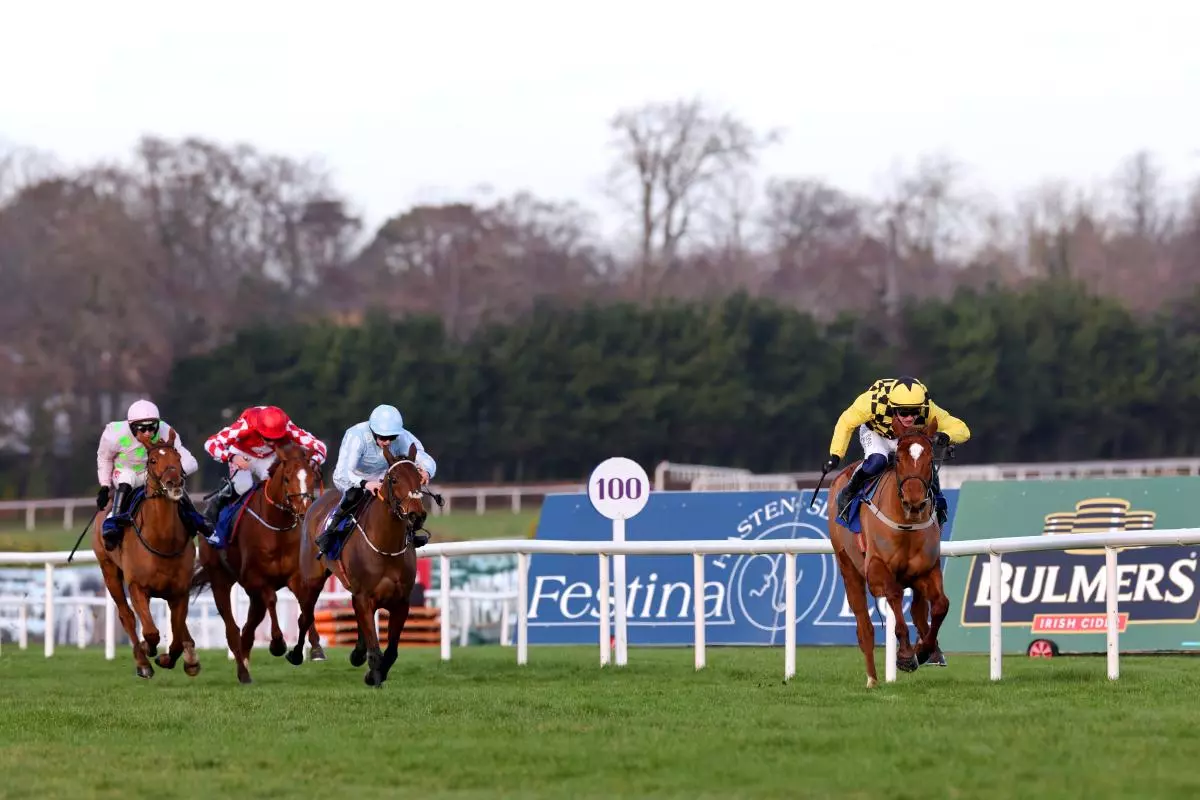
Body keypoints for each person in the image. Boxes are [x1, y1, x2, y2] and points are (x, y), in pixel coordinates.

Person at [823, 377, 970, 527]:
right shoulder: (870, 403)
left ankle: (938, 500)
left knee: (921, 460)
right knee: (878, 461)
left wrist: (947, 436)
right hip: (875, 432)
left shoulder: (928, 408)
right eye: (904, 412)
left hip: (903, 436)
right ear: (893, 407)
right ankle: (848, 492)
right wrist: (836, 454)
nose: (909, 417)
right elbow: (845, 423)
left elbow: (962, 429)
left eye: (914, 412)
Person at [316, 403, 437, 558]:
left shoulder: (402, 436)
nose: (387, 442)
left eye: (391, 438)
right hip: (351, 477)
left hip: (382, 477)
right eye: (383, 437)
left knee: (401, 496)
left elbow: (422, 455)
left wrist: (426, 470)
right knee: (354, 495)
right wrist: (365, 484)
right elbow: (345, 472)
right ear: (373, 431)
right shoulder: (357, 436)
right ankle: (330, 533)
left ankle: (410, 531)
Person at [200, 405, 328, 544]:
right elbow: (211, 443)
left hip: (268, 456)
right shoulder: (245, 425)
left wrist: (314, 462)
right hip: (242, 454)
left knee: (275, 485)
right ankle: (215, 506)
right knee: (243, 485)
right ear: (258, 430)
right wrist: (231, 457)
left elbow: (319, 447)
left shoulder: (287, 426)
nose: (272, 441)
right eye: (268, 437)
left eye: (276, 438)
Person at [95, 399, 209, 551]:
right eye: (142, 428)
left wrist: (172, 475)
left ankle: (197, 520)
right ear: (131, 426)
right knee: (126, 478)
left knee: (174, 485)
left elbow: (190, 461)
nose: (148, 433)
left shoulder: (166, 430)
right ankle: (114, 524)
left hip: (154, 475)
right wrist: (104, 485)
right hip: (125, 471)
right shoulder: (114, 433)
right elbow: (105, 458)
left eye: (152, 427)